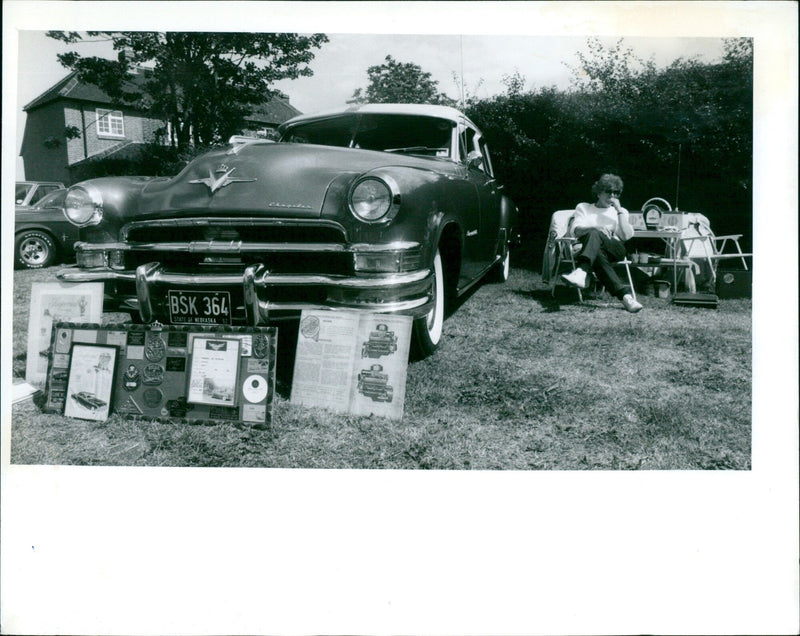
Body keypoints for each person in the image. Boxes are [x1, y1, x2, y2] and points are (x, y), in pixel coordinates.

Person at [561, 174, 643, 313]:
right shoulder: (584, 207)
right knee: (596, 245)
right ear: (598, 193)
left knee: (595, 234)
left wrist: (619, 211)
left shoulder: (621, 212)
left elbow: (626, 236)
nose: (612, 196)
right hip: (593, 252)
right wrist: (596, 228)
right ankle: (626, 297)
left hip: (615, 249)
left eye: (616, 193)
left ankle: (582, 271)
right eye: (608, 191)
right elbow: (576, 230)